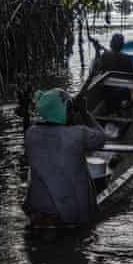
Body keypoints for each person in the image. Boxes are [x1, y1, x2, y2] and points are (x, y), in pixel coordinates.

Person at [23, 88, 107, 225]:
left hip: (37, 213)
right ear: (63, 110)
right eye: (70, 109)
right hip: (68, 214)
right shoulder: (78, 134)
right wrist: (85, 114)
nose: (72, 113)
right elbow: (101, 138)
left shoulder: (31, 134)